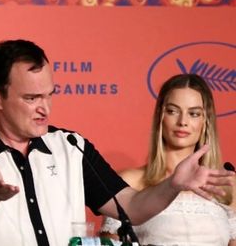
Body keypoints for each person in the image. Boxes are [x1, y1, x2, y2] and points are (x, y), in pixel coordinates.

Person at [0, 39, 234, 245]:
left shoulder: (72, 147)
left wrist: (173, 185)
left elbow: (131, 207)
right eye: (32, 98)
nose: (44, 109)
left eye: (49, 95)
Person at [99, 73, 236, 245]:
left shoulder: (228, 186)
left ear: (206, 121)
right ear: (160, 118)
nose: (182, 121)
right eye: (172, 111)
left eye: (193, 114)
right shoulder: (130, 182)